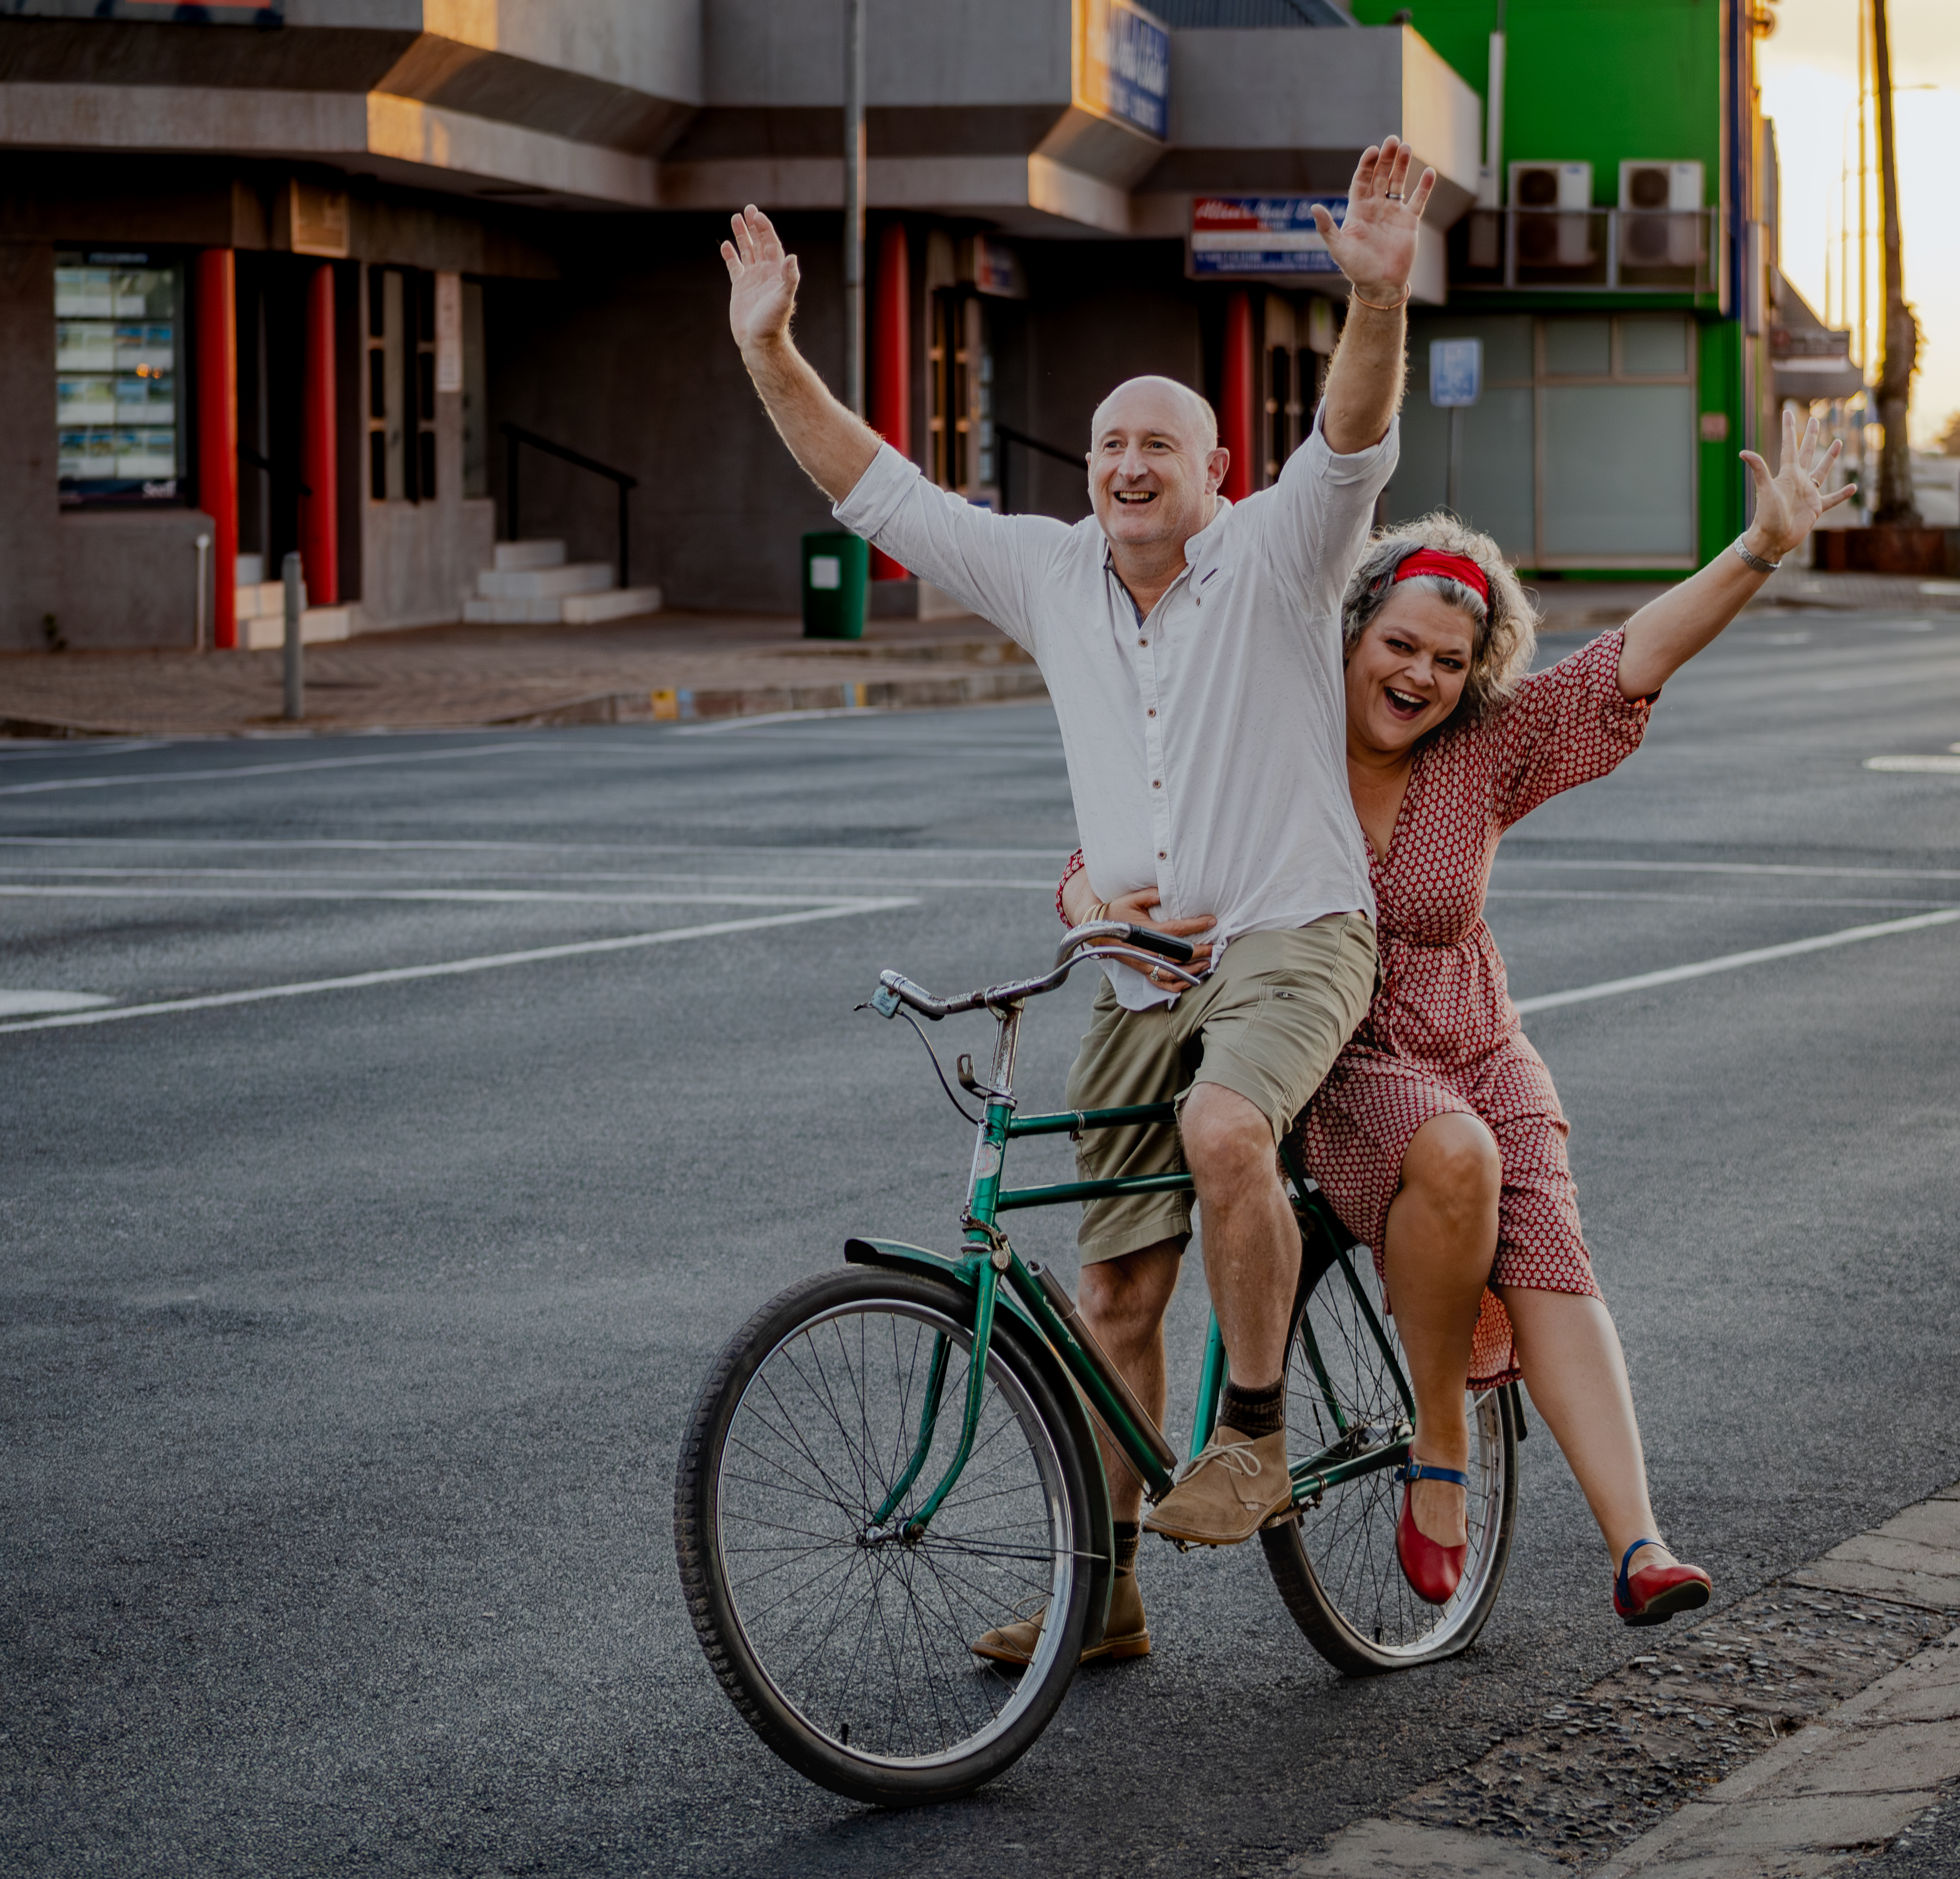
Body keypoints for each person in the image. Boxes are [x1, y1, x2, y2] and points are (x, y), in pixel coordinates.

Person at [719, 140, 1437, 1666]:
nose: (1126, 467)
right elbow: (876, 487)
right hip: (1134, 974)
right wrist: (772, 348)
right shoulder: (1049, 573)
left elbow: (1356, 435)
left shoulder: (1284, 555)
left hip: (1295, 935)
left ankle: (1251, 1432)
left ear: (1216, 475)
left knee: (1228, 1131)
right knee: (1112, 1286)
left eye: (1159, 448)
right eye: (1110, 445)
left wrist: (1375, 298)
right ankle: (1101, 1596)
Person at [1060, 408, 1852, 1625]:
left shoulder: (1486, 747)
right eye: (1400, 644)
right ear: (1350, 632)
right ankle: (1444, 1428)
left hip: (1477, 1034)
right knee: (1454, 1153)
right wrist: (1087, 893)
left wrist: (1762, 549)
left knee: (1546, 1238)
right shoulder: (1274, 727)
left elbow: (1626, 661)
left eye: (1446, 660)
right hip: (1343, 1047)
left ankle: (1639, 1546)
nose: (1418, 677)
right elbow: (1131, 825)